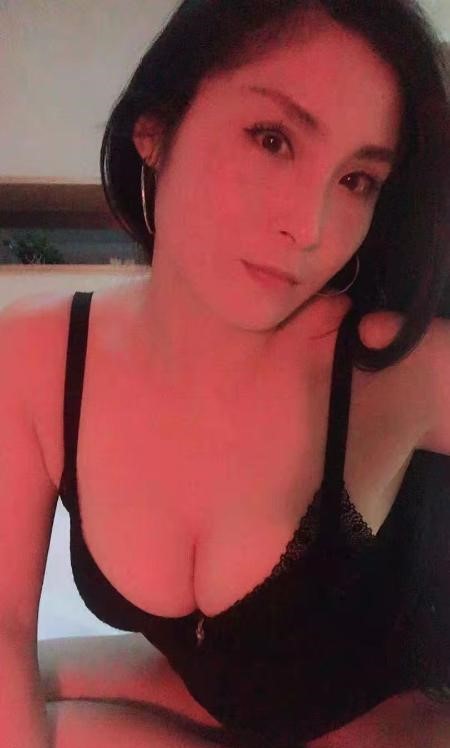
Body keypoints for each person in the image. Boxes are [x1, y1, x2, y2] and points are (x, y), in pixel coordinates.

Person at [2, 1, 450, 746]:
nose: (309, 227)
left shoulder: (384, 363)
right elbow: (7, 627)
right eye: (273, 139)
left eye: (357, 180)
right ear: (155, 128)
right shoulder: (39, 354)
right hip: (206, 694)